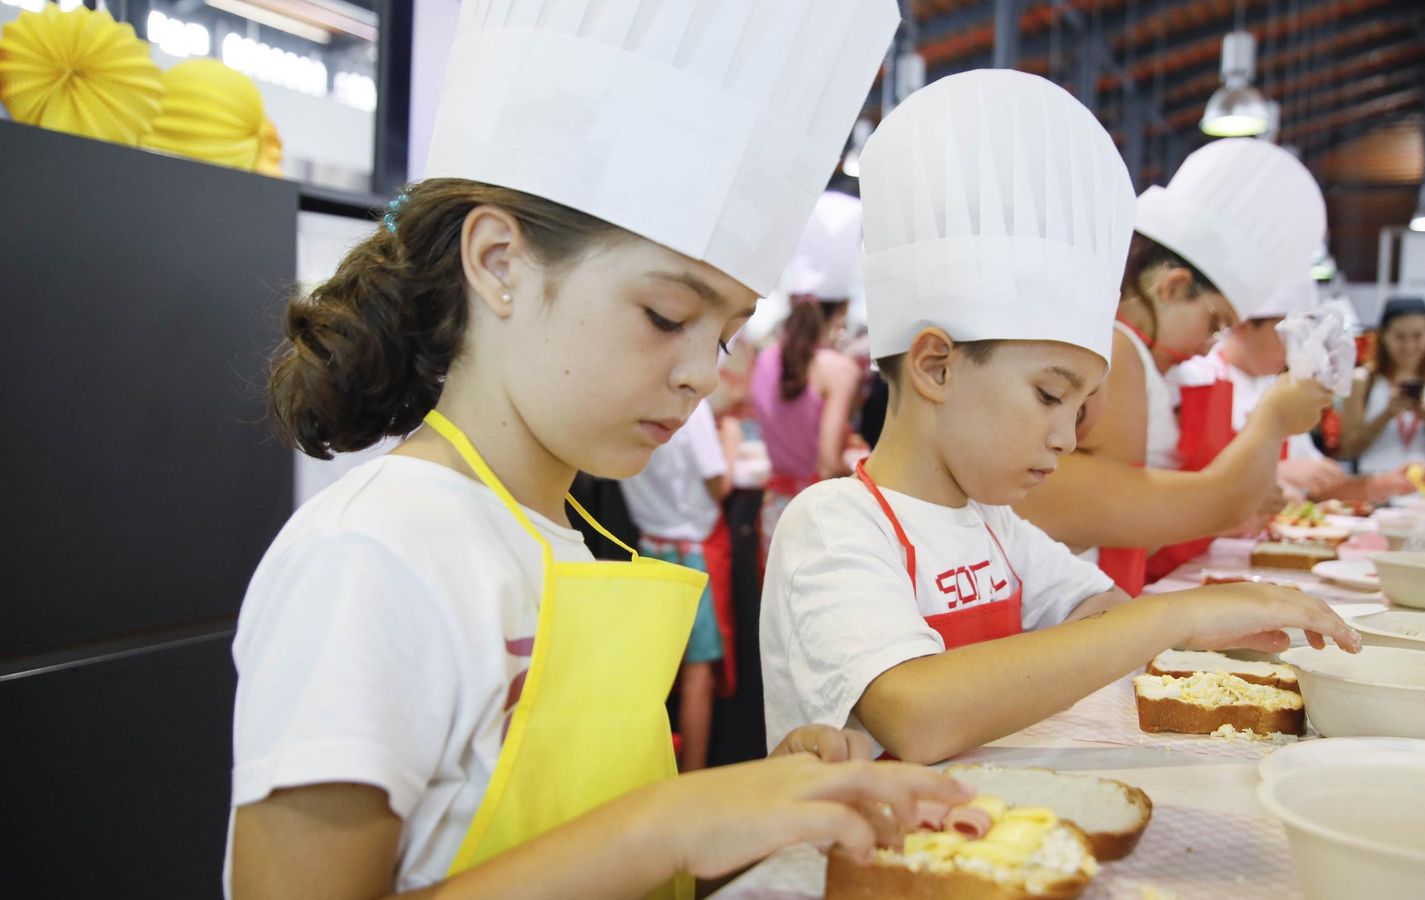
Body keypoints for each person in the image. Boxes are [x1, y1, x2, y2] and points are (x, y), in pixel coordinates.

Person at [227, 3, 973, 898]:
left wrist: (762, 799)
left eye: (728, 333)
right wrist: (665, 826)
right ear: (499, 261)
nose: (702, 372)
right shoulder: (374, 554)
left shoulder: (567, 537)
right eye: (667, 316)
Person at [759, 70, 1361, 765]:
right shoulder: (833, 525)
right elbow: (918, 716)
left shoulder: (993, 524)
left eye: (1082, 409)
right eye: (1050, 396)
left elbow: (1105, 614)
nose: (1067, 439)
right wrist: (1181, 615)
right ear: (935, 366)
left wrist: (1213, 621)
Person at [1016, 139, 1333, 595]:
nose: (1208, 349)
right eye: (1215, 323)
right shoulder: (1117, 351)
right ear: (1173, 286)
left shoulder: (1126, 350)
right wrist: (1273, 420)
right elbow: (1116, 515)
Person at [619, 400, 734, 772]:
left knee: (653, 670)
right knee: (697, 674)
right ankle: (690, 780)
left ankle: (650, 769)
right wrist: (730, 439)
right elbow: (718, 483)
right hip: (694, 553)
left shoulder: (620, 396)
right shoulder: (690, 405)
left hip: (648, 546)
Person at [750, 192, 865, 554]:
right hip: (818, 515)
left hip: (774, 509)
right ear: (842, 310)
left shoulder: (765, 357)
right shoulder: (839, 369)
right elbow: (828, 462)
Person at [1341, 297, 1425, 473]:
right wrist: (1386, 415)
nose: (1409, 345)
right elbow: (1348, 449)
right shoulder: (1363, 382)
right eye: (1400, 337)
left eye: (1417, 336)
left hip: (1424, 491)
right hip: (1374, 486)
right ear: (1384, 336)